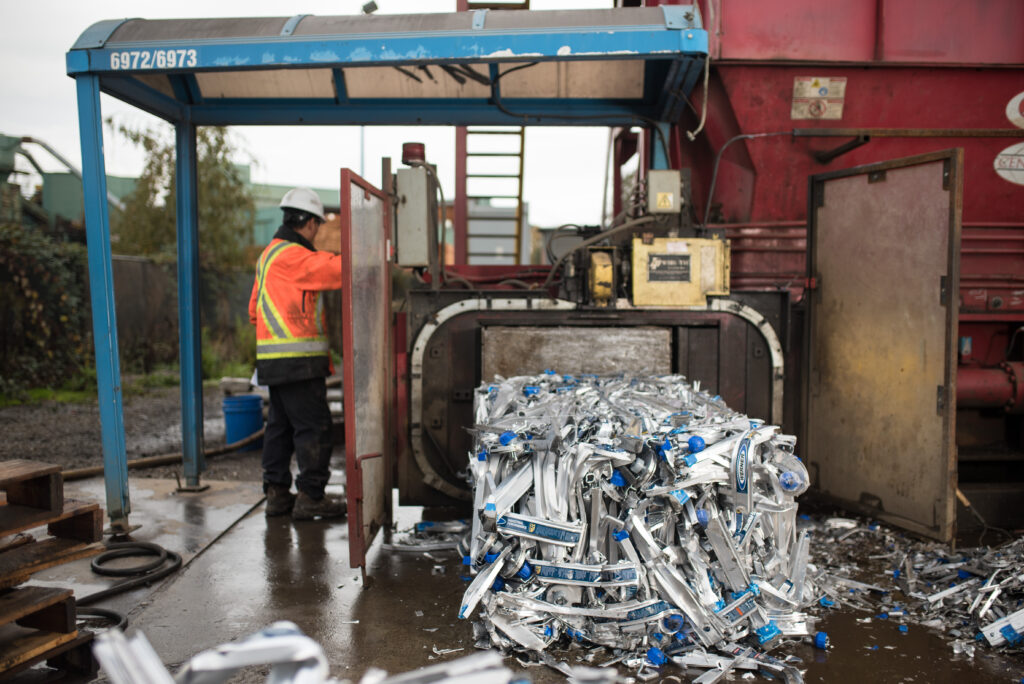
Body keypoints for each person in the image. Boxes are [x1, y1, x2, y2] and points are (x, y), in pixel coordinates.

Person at [248, 187, 346, 520]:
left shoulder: (268, 256)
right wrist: (371, 253)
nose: (317, 231)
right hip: (297, 363)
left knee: (280, 427)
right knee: (314, 427)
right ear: (307, 223)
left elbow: (253, 310)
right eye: (317, 225)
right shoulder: (291, 256)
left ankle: (276, 494)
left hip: (274, 361)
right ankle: (311, 497)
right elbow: (336, 271)